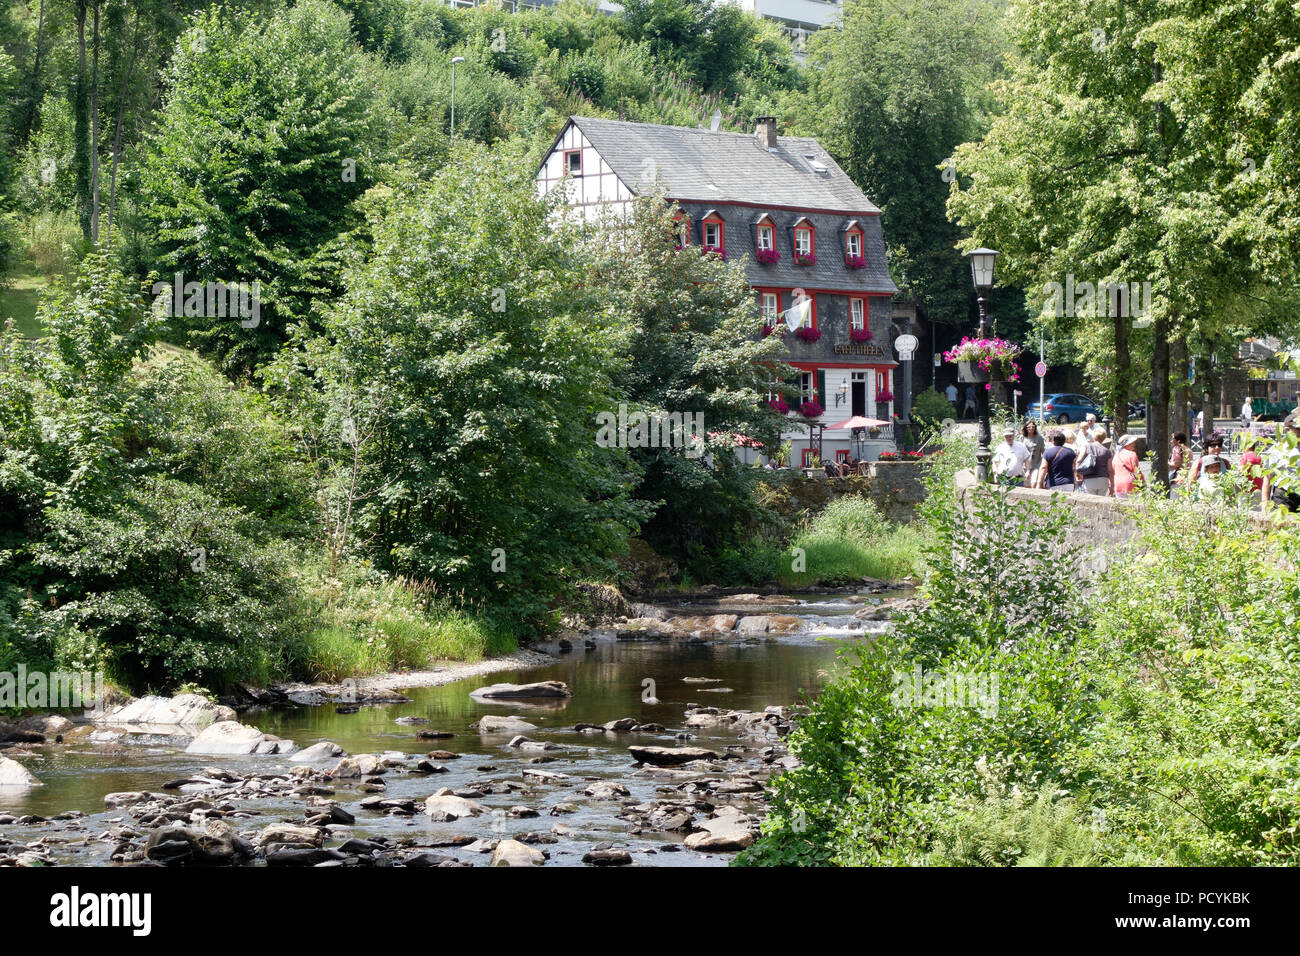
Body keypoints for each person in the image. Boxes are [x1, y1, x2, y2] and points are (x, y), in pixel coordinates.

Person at [1261, 410, 1300, 513]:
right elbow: (1268, 477)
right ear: (1288, 430)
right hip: (1284, 496)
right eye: (1298, 429)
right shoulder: (1278, 449)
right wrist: (1265, 502)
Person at [1075, 425, 1113, 495]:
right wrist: (1112, 485)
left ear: (1094, 436)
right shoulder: (1107, 451)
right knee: (1101, 502)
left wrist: (1078, 474)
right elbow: (1110, 470)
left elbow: (1078, 461)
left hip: (1089, 478)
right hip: (1103, 480)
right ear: (1104, 437)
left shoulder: (1086, 447)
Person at [1021, 420, 1045, 488]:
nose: (1031, 428)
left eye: (1033, 427)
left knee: (1033, 484)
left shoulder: (1039, 438)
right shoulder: (1022, 438)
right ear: (1025, 428)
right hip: (1024, 466)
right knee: (1026, 485)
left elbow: (1043, 452)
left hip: (1036, 465)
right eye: (1029, 427)